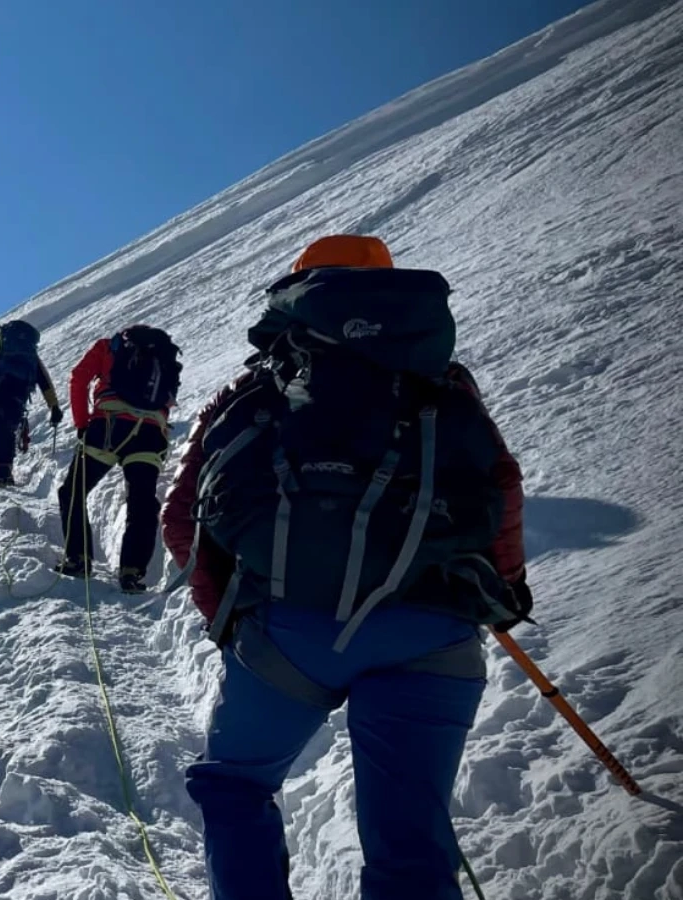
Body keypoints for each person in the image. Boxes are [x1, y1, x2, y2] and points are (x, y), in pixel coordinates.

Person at [161, 235, 531, 900]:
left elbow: (183, 515)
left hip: (289, 631)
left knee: (234, 785)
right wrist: (502, 588)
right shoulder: (440, 383)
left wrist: (228, 614)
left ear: (301, 291)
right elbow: (501, 487)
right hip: (432, 628)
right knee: (410, 842)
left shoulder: (260, 386)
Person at [56, 324, 181, 592]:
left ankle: (78, 558)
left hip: (109, 426)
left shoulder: (108, 346)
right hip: (150, 432)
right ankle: (132, 573)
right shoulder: (164, 357)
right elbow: (168, 400)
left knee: (73, 490)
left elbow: (78, 378)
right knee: (142, 500)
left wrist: (82, 423)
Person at [0, 319, 63, 487]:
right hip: (18, 396)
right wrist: (53, 406)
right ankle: (6, 471)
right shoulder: (31, 355)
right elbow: (44, 381)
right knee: (9, 431)